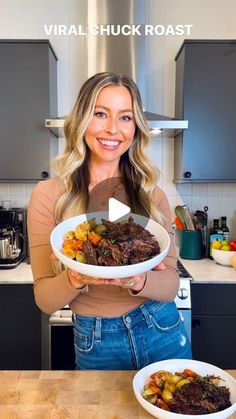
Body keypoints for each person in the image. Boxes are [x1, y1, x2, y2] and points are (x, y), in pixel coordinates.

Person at [27, 72, 191, 370]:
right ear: (81, 120)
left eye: (125, 117)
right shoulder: (48, 195)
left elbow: (169, 284)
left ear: (136, 127)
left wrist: (138, 279)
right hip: (97, 339)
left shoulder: (151, 194)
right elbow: (44, 299)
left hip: (162, 328)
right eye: (100, 114)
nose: (113, 129)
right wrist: (75, 277)